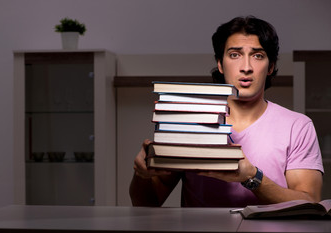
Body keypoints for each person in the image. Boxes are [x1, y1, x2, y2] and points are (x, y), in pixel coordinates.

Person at [129, 16, 324, 207]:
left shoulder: (297, 126)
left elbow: (309, 203)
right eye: (234, 54)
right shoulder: (189, 119)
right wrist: (142, 175)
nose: (246, 67)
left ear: (271, 66)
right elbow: (146, 202)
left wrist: (251, 177)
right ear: (221, 64)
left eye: (257, 56)